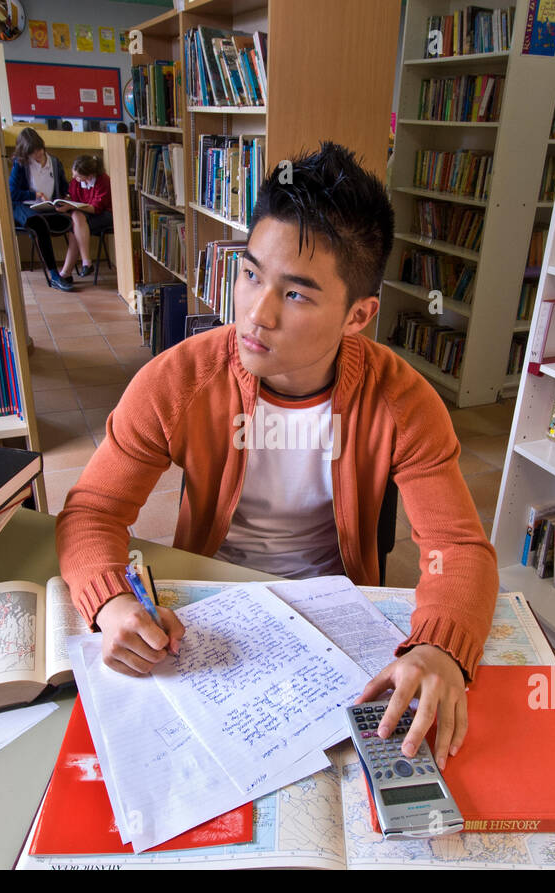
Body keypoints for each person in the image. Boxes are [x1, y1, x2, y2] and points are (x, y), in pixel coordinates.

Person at [56, 142, 498, 770]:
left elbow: (456, 548)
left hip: (338, 614)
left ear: (359, 315)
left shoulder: (404, 402)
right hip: (207, 617)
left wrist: (441, 649)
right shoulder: (179, 380)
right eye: (251, 273)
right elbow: (92, 510)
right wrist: (110, 600)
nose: (255, 314)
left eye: (295, 295)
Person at [8, 127, 75, 292]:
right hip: (25, 207)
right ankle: (54, 275)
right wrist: (34, 193)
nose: (37, 155)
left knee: (75, 220)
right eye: (33, 153)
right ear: (25, 153)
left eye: (39, 150)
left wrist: (64, 199)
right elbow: (12, 193)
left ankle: (66, 270)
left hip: (49, 208)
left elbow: (64, 187)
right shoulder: (20, 164)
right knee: (39, 224)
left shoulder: (55, 162)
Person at [61, 154, 113, 280]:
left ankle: (66, 273)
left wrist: (71, 207)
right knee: (76, 219)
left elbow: (96, 208)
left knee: (75, 225)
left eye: (78, 176)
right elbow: (73, 198)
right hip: (84, 216)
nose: (74, 178)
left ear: (89, 176)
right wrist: (66, 201)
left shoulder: (103, 181)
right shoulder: (76, 182)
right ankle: (84, 264)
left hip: (104, 215)